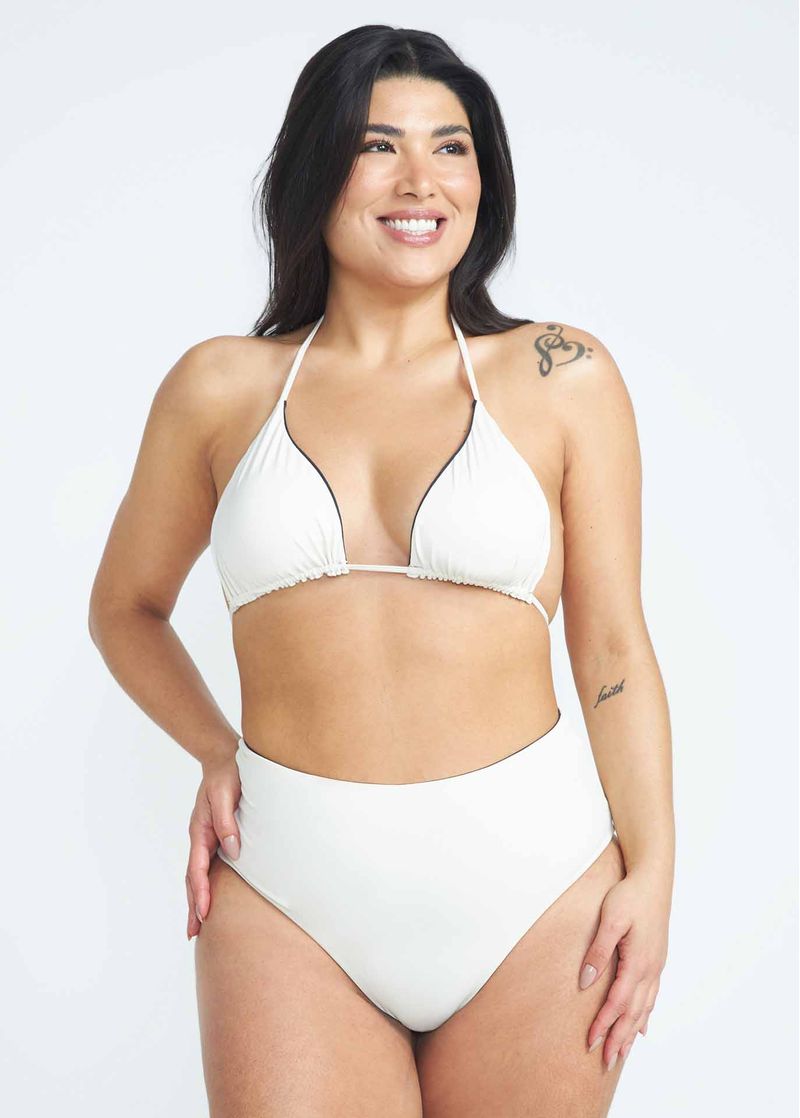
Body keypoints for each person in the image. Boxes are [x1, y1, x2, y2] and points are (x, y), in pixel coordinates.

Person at [88, 25, 675, 1117]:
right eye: (377, 146)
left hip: (537, 892)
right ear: (317, 169)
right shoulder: (219, 386)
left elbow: (611, 649)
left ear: (484, 180)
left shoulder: (562, 375)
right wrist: (213, 747)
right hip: (288, 891)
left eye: (451, 148)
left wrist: (655, 871)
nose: (420, 181)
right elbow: (125, 607)